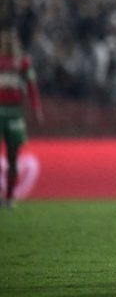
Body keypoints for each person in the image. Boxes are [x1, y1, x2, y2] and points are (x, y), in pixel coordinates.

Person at [0, 27, 44, 208]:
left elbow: (32, 88)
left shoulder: (23, 63)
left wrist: (36, 109)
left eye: (12, 41)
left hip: (15, 113)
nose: (9, 44)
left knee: (13, 157)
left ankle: (9, 197)